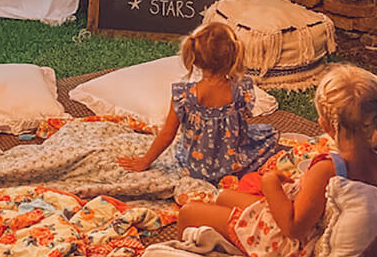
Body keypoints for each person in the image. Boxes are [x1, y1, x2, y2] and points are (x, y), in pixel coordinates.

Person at [177, 64, 377, 257]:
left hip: (283, 243)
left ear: (326, 125)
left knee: (189, 212)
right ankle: (226, 235)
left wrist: (270, 183)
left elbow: (294, 229)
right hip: (296, 222)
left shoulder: (327, 169)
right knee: (224, 196)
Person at [118, 21, 278, 183]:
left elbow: (167, 134)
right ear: (234, 55)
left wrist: (145, 161)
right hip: (233, 163)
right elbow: (243, 119)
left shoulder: (184, 96)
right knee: (269, 133)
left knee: (181, 144)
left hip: (195, 167)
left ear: (194, 59)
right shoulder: (242, 88)